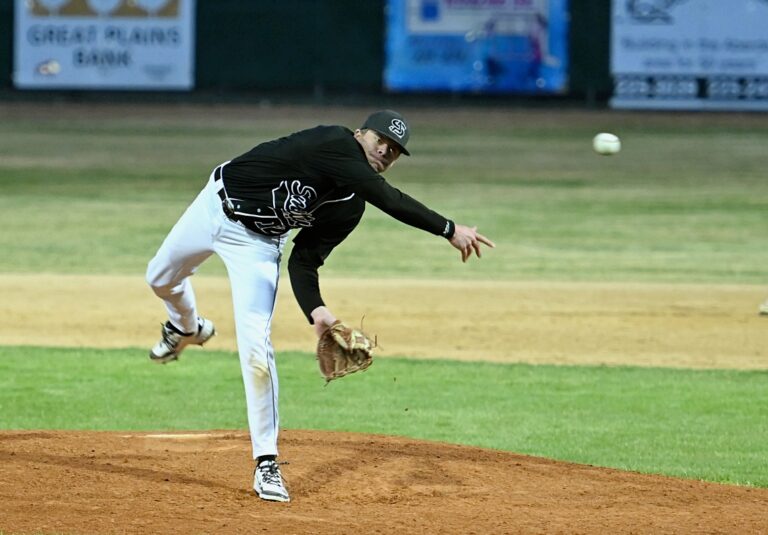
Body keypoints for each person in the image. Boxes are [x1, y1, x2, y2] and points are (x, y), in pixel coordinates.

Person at [145, 110, 495, 503]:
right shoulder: (333, 142)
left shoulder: (349, 208)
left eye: (395, 150)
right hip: (213, 205)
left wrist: (319, 313)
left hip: (257, 246)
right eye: (381, 139)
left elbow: (304, 261)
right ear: (360, 133)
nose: (385, 149)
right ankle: (186, 327)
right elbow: (387, 197)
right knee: (158, 278)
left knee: (257, 352)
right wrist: (448, 229)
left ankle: (266, 463)